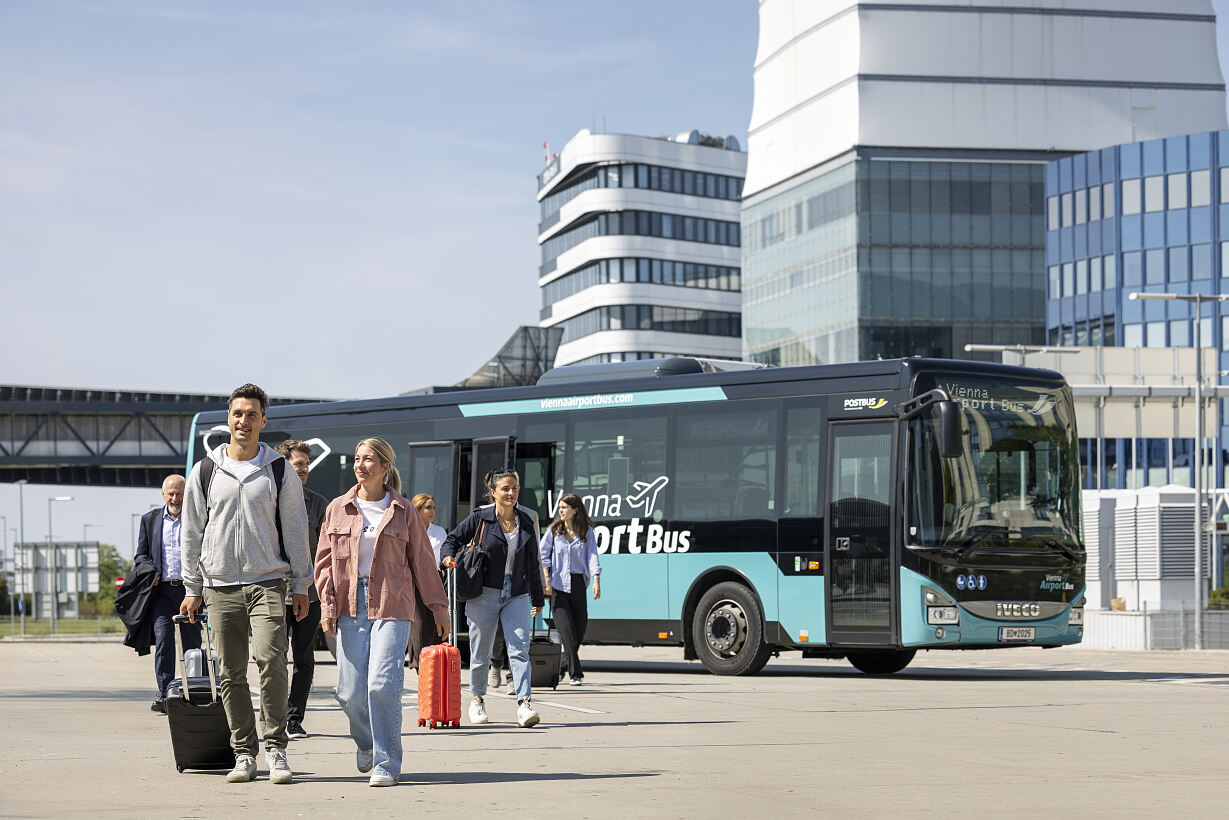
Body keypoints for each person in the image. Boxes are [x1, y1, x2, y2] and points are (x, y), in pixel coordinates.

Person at [180, 383, 313, 786]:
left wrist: (302, 584)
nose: (243, 420)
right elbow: (191, 531)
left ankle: (276, 747)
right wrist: (192, 587)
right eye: (237, 413)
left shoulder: (278, 469)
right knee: (230, 674)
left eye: (251, 414)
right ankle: (243, 753)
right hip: (218, 586)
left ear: (263, 420)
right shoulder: (205, 470)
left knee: (272, 661)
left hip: (267, 582)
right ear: (229, 418)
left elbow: (295, 530)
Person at [316, 438, 450, 787]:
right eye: (357, 459)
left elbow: (422, 562)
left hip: (393, 602)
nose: (361, 465)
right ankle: (366, 743)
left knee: (381, 685)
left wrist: (439, 608)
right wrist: (327, 606)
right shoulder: (338, 508)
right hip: (349, 603)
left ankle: (387, 763)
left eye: (369, 459)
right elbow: (324, 564)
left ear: (385, 466)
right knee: (348, 692)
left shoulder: (404, 510)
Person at [441, 468, 545, 729]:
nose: (511, 493)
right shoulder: (481, 518)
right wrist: (447, 557)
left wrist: (538, 596)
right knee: (480, 652)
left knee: (519, 649)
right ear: (494, 492)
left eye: (515, 488)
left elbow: (533, 561)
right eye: (505, 489)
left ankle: (524, 705)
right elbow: (452, 539)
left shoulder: (527, 519)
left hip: (517, 593)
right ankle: (477, 699)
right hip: (484, 592)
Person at [274, 440, 329, 740]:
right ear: (285, 465)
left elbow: (325, 552)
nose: (305, 468)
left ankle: (294, 719)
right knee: (274, 658)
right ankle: (275, 717)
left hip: (309, 594)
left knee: (304, 658)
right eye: (299, 463)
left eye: (307, 463)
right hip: (273, 592)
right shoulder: (268, 500)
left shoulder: (319, 504)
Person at [133, 474, 200, 713]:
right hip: (162, 592)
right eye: (170, 493)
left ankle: (195, 692)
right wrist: (150, 570)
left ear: (186, 494)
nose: (175, 498)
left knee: (193, 646)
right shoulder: (149, 520)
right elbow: (140, 556)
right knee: (163, 643)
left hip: (190, 592)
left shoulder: (196, 518)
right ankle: (164, 694)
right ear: (163, 494)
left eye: (179, 493)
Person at [540, 493, 602, 686]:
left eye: (565, 507)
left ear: (575, 510)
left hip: (577, 584)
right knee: (566, 630)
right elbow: (543, 556)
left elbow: (592, 555)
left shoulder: (586, 531)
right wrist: (546, 581)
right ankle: (576, 673)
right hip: (557, 585)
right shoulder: (554, 531)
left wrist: (596, 580)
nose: (561, 511)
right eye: (559, 507)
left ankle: (560, 669)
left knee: (579, 631)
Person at [408, 493, 449, 671]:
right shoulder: (409, 529)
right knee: (419, 623)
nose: (432, 511)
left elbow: (443, 556)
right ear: (417, 509)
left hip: (435, 580)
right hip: (413, 582)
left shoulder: (439, 531)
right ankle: (419, 662)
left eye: (433, 507)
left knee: (434, 624)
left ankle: (433, 661)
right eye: (427, 507)